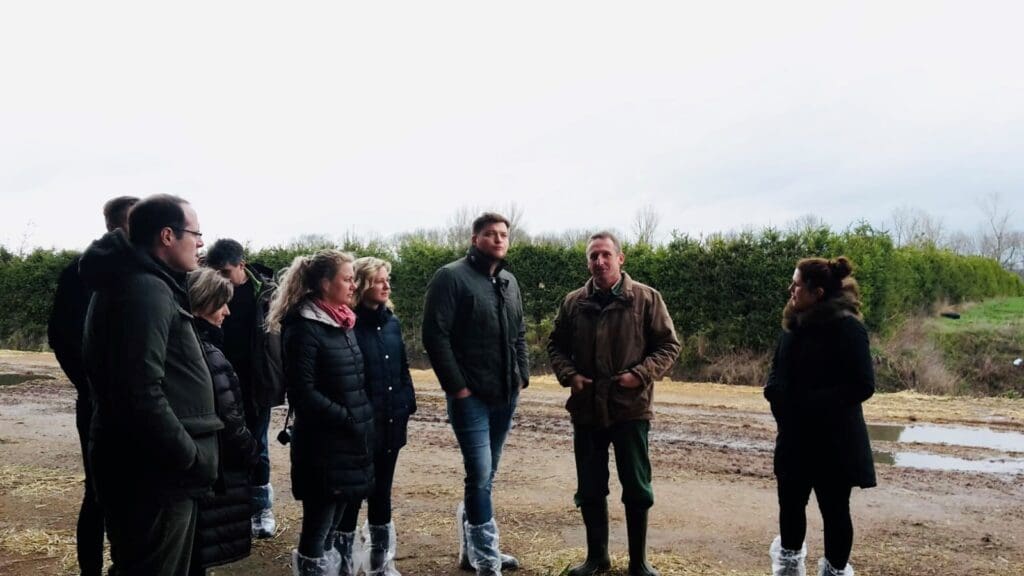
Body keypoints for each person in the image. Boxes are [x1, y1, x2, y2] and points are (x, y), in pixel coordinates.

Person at [80, 194, 221, 576]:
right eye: (195, 232)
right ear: (167, 236)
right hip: (153, 475)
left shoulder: (143, 283)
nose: (202, 243)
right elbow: (138, 391)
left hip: (153, 471)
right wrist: (188, 455)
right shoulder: (144, 290)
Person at [547, 231, 681, 576]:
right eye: (593, 256)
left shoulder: (647, 299)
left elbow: (669, 346)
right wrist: (570, 376)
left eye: (606, 254)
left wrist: (640, 374)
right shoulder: (573, 302)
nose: (599, 261)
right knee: (590, 488)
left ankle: (639, 562)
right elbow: (556, 346)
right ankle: (597, 558)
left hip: (630, 408)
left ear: (620, 259)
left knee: (637, 487)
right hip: (587, 409)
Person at [422, 212, 529, 576]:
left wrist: (522, 376)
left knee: (489, 473)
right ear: (475, 239)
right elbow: (435, 336)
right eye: (490, 234)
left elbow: (519, 334)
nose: (498, 239)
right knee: (480, 474)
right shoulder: (451, 278)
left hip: (505, 393)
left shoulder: (510, 282)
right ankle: (487, 558)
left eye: (503, 234)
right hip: (471, 397)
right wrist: (459, 387)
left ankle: (475, 553)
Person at [763, 256, 876, 576]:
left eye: (797, 284)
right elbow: (777, 371)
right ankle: (788, 570)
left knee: (835, 512)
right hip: (795, 439)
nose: (791, 290)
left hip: (835, 443)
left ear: (819, 292)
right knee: (790, 509)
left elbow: (863, 385)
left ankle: (835, 571)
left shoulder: (849, 328)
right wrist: (775, 395)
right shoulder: (792, 325)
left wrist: (808, 404)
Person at [266, 249, 375, 576]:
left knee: (335, 521)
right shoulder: (304, 327)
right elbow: (302, 392)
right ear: (325, 283)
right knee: (318, 526)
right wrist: (347, 417)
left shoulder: (341, 321)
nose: (354, 285)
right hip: (323, 444)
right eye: (347, 278)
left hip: (349, 441)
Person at [47, 195, 138, 576]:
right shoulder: (81, 273)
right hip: (99, 405)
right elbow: (60, 337)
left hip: (138, 404)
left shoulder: (146, 270)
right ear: (122, 226)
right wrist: (92, 387)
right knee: (99, 494)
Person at [334, 256, 418, 575]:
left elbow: (402, 368)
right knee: (352, 497)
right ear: (364, 283)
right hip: (360, 430)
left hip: (392, 424)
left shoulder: (392, 322)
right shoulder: (348, 325)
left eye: (388, 279)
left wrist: (407, 402)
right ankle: (343, 564)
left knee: (382, 494)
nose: (386, 285)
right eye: (380, 279)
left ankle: (380, 565)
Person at [204, 238, 283, 539]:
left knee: (257, 446)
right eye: (216, 272)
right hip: (217, 381)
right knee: (223, 448)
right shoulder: (204, 287)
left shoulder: (266, 292)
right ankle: (231, 513)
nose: (221, 279)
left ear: (242, 265)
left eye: (226, 272)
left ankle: (262, 509)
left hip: (255, 383)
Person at [186, 268, 261, 575]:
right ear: (204, 305)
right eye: (221, 304)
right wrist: (251, 451)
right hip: (214, 470)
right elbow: (230, 419)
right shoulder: (208, 353)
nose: (227, 312)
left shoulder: (191, 346)